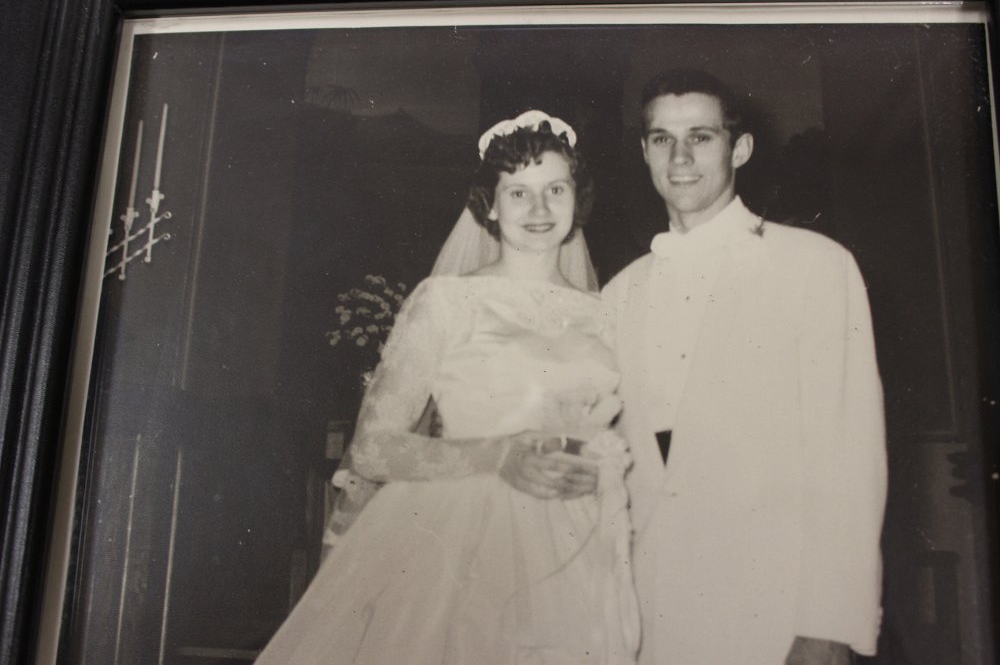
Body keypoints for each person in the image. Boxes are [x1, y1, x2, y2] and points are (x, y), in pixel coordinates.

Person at [255, 110, 639, 664]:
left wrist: (600, 469)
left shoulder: (605, 313)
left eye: (555, 189)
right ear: (490, 205)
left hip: (577, 535)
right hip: (457, 531)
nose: (539, 210)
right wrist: (498, 455)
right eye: (518, 193)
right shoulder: (445, 301)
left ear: (577, 199)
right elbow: (373, 448)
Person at [602, 69, 887, 665]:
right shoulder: (619, 293)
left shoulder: (814, 266)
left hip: (773, 608)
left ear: (741, 149)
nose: (680, 157)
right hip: (650, 609)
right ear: (644, 152)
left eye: (701, 137)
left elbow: (848, 455)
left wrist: (830, 622)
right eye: (662, 139)